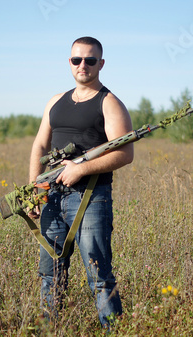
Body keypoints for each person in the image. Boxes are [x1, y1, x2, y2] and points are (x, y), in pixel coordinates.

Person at [28, 36, 134, 328]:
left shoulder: (109, 102)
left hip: (91, 198)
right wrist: (34, 189)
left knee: (99, 276)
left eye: (90, 60)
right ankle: (48, 331)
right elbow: (39, 146)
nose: (83, 65)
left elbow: (125, 153)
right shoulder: (56, 101)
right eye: (77, 60)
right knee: (50, 274)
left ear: (101, 63)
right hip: (52, 197)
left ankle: (113, 331)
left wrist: (81, 169)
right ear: (70, 63)